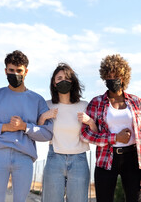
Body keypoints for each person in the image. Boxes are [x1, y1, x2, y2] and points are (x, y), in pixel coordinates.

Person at [0, 50, 53, 202]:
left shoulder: (37, 100)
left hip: (24, 158)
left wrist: (25, 127)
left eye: (19, 71)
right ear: (5, 71)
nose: (15, 74)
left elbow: (47, 133)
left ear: (26, 72)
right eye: (11, 70)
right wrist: (4, 127)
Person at [80, 54, 141, 202]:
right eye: (108, 76)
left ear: (123, 77)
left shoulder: (136, 101)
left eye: (116, 75)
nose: (112, 79)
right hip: (106, 157)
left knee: (134, 198)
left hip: (132, 157)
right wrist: (114, 138)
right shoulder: (97, 102)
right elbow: (85, 134)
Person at [40, 63, 90, 202]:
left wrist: (90, 121)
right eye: (59, 78)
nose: (63, 81)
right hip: (54, 158)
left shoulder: (84, 105)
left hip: (79, 160)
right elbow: (38, 130)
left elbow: (95, 133)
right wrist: (44, 116)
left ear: (73, 82)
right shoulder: (47, 105)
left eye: (67, 78)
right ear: (54, 83)